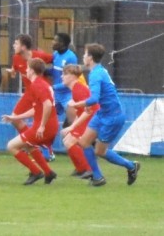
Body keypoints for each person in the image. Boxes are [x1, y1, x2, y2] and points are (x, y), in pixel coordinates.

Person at [68, 43, 140, 187]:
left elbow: (94, 98)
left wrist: (78, 104)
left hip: (112, 117)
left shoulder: (96, 74)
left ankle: (131, 166)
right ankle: (98, 177)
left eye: (85, 54)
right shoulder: (99, 71)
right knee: (83, 142)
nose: (83, 56)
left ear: (90, 58)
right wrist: (89, 106)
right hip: (102, 113)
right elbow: (100, 97)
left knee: (100, 151)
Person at [2, 58, 58, 185]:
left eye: (27, 68)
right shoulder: (40, 84)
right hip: (48, 125)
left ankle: (36, 172)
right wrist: (15, 118)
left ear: (32, 71)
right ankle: (48, 173)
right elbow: (37, 109)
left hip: (45, 126)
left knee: (11, 146)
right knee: (29, 145)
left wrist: (42, 126)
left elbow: (48, 105)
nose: (26, 70)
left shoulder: (38, 85)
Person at [5, 34, 55, 161]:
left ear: (23, 46)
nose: (13, 45)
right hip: (29, 93)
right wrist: (12, 72)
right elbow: (14, 70)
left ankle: (44, 148)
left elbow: (55, 59)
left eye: (16, 43)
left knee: (43, 121)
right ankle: (34, 145)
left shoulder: (39, 56)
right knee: (14, 118)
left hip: (42, 93)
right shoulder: (16, 57)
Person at [58, 65, 94, 178]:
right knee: (67, 140)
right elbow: (81, 112)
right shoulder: (75, 90)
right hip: (87, 118)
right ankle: (81, 169)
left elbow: (88, 111)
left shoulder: (79, 90)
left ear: (73, 76)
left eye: (65, 74)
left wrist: (72, 127)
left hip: (92, 118)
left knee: (70, 141)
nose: (62, 76)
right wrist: (72, 126)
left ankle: (89, 170)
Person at [50, 33, 79, 127]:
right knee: (46, 118)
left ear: (62, 43)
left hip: (67, 95)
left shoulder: (71, 57)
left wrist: (52, 87)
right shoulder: (55, 55)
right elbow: (54, 71)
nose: (52, 42)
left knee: (72, 124)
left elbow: (71, 80)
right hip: (56, 94)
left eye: (55, 40)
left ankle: (91, 140)